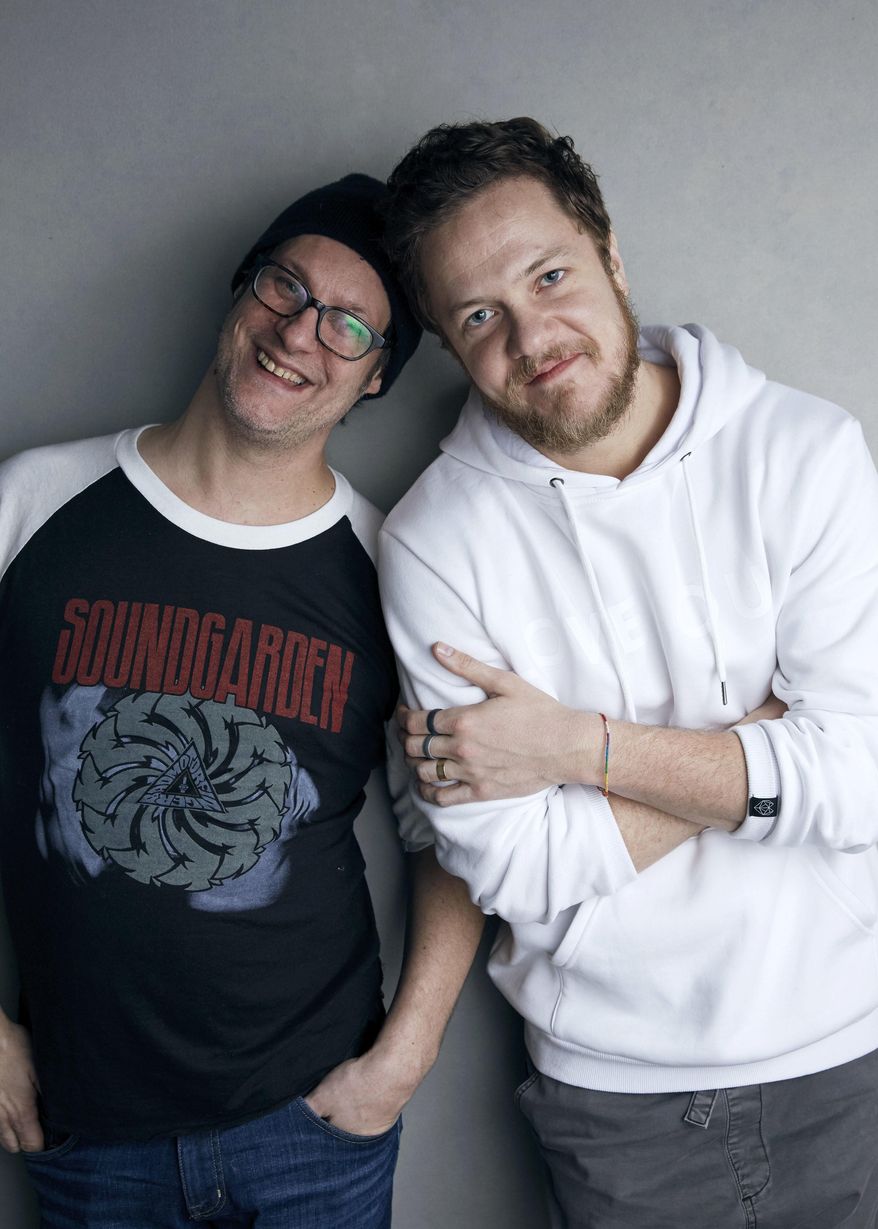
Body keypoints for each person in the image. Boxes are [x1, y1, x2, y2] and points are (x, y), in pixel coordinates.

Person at [379, 118, 878, 1227]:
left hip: (854, 1051)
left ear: (608, 253)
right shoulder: (432, 540)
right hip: (616, 1094)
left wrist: (576, 749)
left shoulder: (803, 451)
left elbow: (861, 779)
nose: (531, 333)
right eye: (478, 314)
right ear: (450, 344)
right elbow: (513, 868)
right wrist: (761, 747)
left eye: (548, 273)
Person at [0, 173, 484, 1228]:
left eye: (349, 326)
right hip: (87, 1124)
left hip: (311, 1122)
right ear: (239, 289)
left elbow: (450, 825)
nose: (299, 332)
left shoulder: (390, 566)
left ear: (372, 380)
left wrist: (403, 1056)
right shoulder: (34, 501)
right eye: (284, 284)